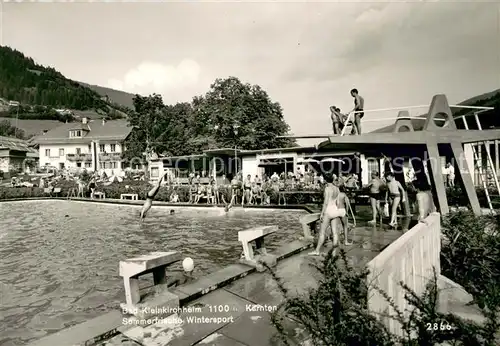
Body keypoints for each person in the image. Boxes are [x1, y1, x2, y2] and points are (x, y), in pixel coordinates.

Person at [309, 174, 350, 256]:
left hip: (328, 210)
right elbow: (338, 202)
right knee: (334, 231)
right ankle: (335, 250)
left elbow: (326, 202)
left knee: (322, 232)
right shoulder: (336, 188)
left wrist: (322, 213)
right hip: (335, 210)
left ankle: (317, 250)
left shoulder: (327, 188)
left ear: (325, 180)